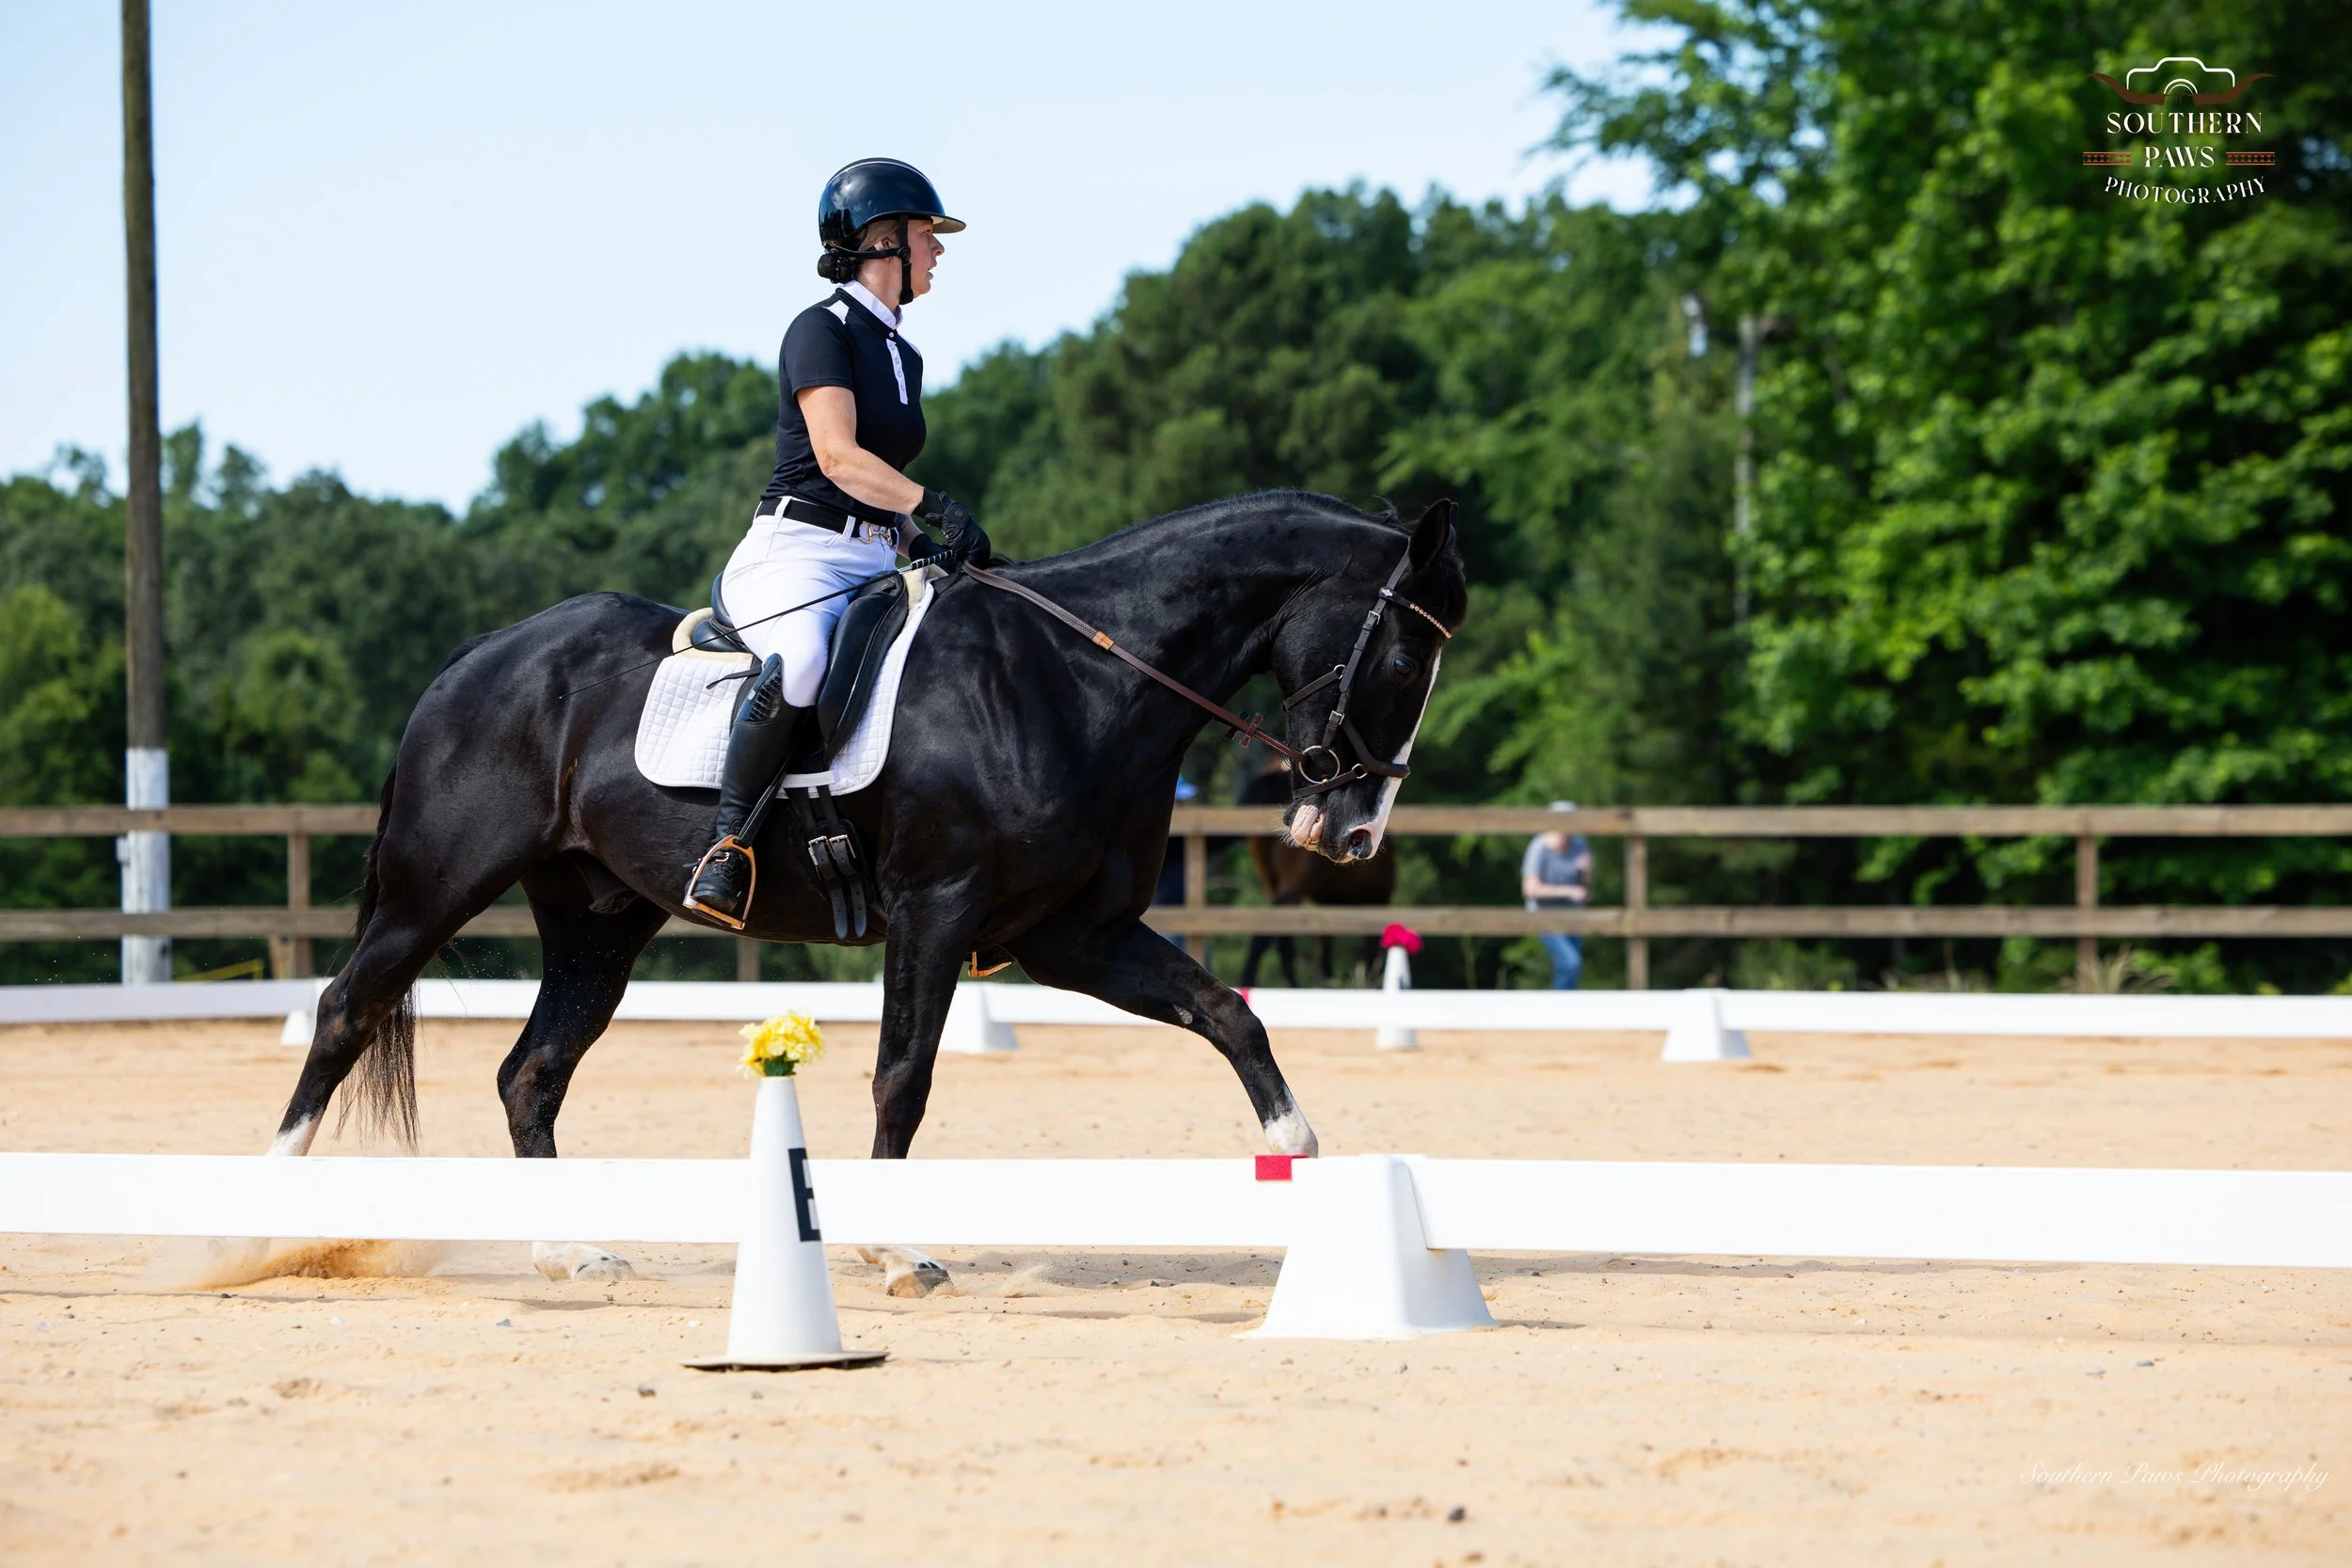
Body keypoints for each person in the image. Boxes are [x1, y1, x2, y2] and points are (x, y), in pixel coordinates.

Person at [684, 158, 993, 928]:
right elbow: (838, 458)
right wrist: (937, 503)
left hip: (875, 557)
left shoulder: (903, 352)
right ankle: (729, 846)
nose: (939, 251)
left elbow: (881, 482)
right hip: (797, 552)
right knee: (805, 662)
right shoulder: (818, 329)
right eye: (929, 235)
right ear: (883, 241)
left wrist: (930, 538)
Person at [1521, 800, 1592, 990]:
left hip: (1573, 917)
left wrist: (1586, 873)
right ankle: (1559, 1014)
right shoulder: (1539, 847)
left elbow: (1585, 891)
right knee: (1570, 963)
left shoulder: (1579, 844)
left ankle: (1564, 1014)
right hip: (1544, 916)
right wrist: (1568, 891)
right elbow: (1530, 889)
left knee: (1571, 968)